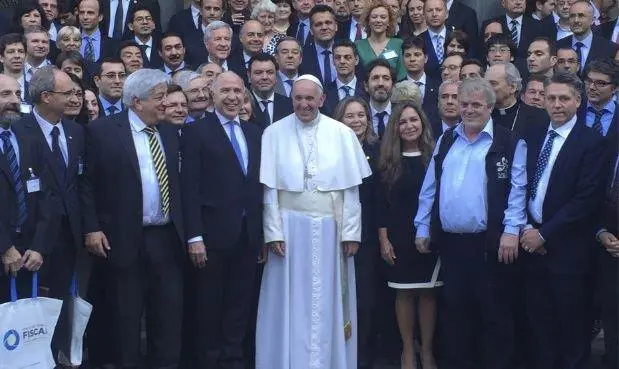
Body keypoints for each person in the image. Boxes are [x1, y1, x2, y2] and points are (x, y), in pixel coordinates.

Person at [257, 74, 371, 369]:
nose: (304, 104)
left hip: (330, 230)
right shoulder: (273, 133)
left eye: (310, 98)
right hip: (289, 230)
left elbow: (350, 191)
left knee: (327, 300)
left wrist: (350, 233)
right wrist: (273, 232)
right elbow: (270, 190)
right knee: (288, 302)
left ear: (322, 100)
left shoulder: (341, 134)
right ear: (291, 99)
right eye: (298, 98)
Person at [414, 77, 528, 369]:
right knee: (454, 315)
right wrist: (423, 226)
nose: (468, 110)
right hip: (452, 245)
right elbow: (430, 187)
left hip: (490, 245)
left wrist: (511, 231)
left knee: (494, 316)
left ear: (490, 107)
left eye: (476, 104)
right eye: (464, 104)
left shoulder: (510, 142)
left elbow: (517, 190)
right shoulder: (447, 139)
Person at [81, 68, 185, 369]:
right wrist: (92, 228)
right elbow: (86, 184)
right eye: (159, 97)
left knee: (167, 317)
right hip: (122, 238)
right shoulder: (102, 131)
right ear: (137, 102)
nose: (166, 103)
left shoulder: (169, 132)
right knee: (126, 320)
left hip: (166, 238)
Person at [520, 71, 605, 369]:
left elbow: (586, 200)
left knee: (572, 334)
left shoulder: (591, 142)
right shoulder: (532, 135)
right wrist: (529, 229)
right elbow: (522, 186)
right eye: (551, 98)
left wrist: (545, 234)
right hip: (531, 249)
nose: (557, 104)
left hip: (568, 254)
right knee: (540, 331)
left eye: (564, 99)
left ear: (578, 101)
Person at [180, 71, 263, 369]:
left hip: (247, 236)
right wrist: (194, 237)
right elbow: (188, 188)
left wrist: (262, 234)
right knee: (208, 307)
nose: (232, 97)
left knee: (239, 306)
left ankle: (233, 360)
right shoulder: (196, 132)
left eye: (237, 91)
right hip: (210, 238)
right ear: (212, 95)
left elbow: (257, 187)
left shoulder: (254, 133)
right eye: (225, 90)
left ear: (245, 95)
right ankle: (209, 361)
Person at [18, 66, 86, 364]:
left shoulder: (75, 131)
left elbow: (82, 184)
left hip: (69, 237)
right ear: (46, 96)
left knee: (60, 307)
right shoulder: (19, 130)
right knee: (28, 315)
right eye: (67, 92)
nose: (75, 97)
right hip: (30, 243)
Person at [377, 101, 439, 369]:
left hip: (429, 236)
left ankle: (426, 351)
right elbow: (381, 204)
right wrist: (383, 239)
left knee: (428, 294)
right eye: (403, 122)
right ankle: (407, 352)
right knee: (404, 294)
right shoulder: (388, 162)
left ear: (422, 123)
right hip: (398, 237)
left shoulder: (435, 156)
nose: (409, 126)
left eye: (414, 120)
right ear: (396, 128)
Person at [332, 95, 379, 369]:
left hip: (368, 237)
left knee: (366, 300)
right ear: (339, 120)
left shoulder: (379, 147)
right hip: (335, 236)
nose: (356, 120)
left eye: (361, 115)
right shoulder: (330, 150)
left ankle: (363, 358)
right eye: (350, 116)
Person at [0, 74, 53, 303]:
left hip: (29, 255)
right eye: (5, 94)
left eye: (18, 93)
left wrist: (38, 246)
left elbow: (46, 196)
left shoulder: (29, 138)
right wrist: (5, 248)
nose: (14, 100)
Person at [486, 62, 549, 137]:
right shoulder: (480, 114)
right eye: (485, 84)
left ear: (512, 87)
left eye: (493, 83)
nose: (486, 88)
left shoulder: (540, 118)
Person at [556, 0, 617, 74]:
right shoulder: (558, 45)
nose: (576, 20)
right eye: (572, 16)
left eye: (581, 15)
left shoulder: (609, 48)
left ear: (593, 20)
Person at [356, 0, 406, 81]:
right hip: (363, 91)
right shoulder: (358, 45)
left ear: (389, 22)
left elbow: (402, 75)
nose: (378, 20)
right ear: (368, 21)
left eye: (383, 17)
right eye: (374, 17)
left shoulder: (399, 44)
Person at [323, 39, 369, 114]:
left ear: (356, 60)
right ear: (333, 61)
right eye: (338, 57)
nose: (342, 61)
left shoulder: (367, 90)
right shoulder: (324, 92)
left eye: (347, 57)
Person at [249, 53, 294, 128]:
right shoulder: (243, 105)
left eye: (270, 72)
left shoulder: (290, 106)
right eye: (258, 73)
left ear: (276, 76)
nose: (264, 77)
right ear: (249, 76)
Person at [300, 5, 339, 85]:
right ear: (310, 30)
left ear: (336, 26)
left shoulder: (348, 52)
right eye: (318, 24)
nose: (324, 27)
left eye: (328, 23)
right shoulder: (302, 56)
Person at [365, 59, 396, 139]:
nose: (380, 83)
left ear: (393, 86)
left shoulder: (402, 114)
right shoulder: (360, 115)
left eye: (386, 78)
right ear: (366, 86)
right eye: (375, 78)